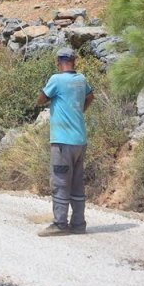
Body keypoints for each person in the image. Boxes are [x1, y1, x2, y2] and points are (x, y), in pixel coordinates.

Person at [36, 47, 94, 237]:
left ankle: (60, 224)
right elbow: (90, 97)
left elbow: (41, 100)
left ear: (58, 62)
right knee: (77, 182)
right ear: (74, 62)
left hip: (62, 140)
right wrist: (78, 112)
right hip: (80, 140)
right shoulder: (81, 79)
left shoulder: (56, 79)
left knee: (60, 181)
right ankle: (78, 224)